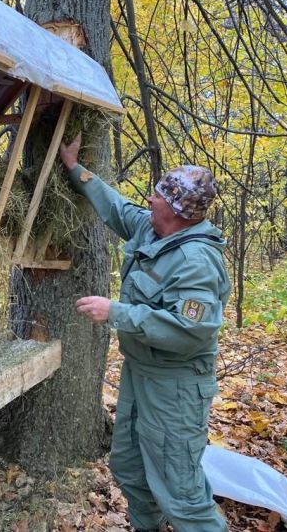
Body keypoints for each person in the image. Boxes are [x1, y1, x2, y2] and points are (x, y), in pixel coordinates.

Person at [59, 134, 230, 532]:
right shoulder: (155, 231)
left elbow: (191, 332)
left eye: (158, 196)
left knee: (182, 496)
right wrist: (74, 167)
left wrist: (116, 312)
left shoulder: (197, 260)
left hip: (175, 388)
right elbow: (118, 208)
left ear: (176, 210)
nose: (150, 200)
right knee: (131, 470)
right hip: (141, 374)